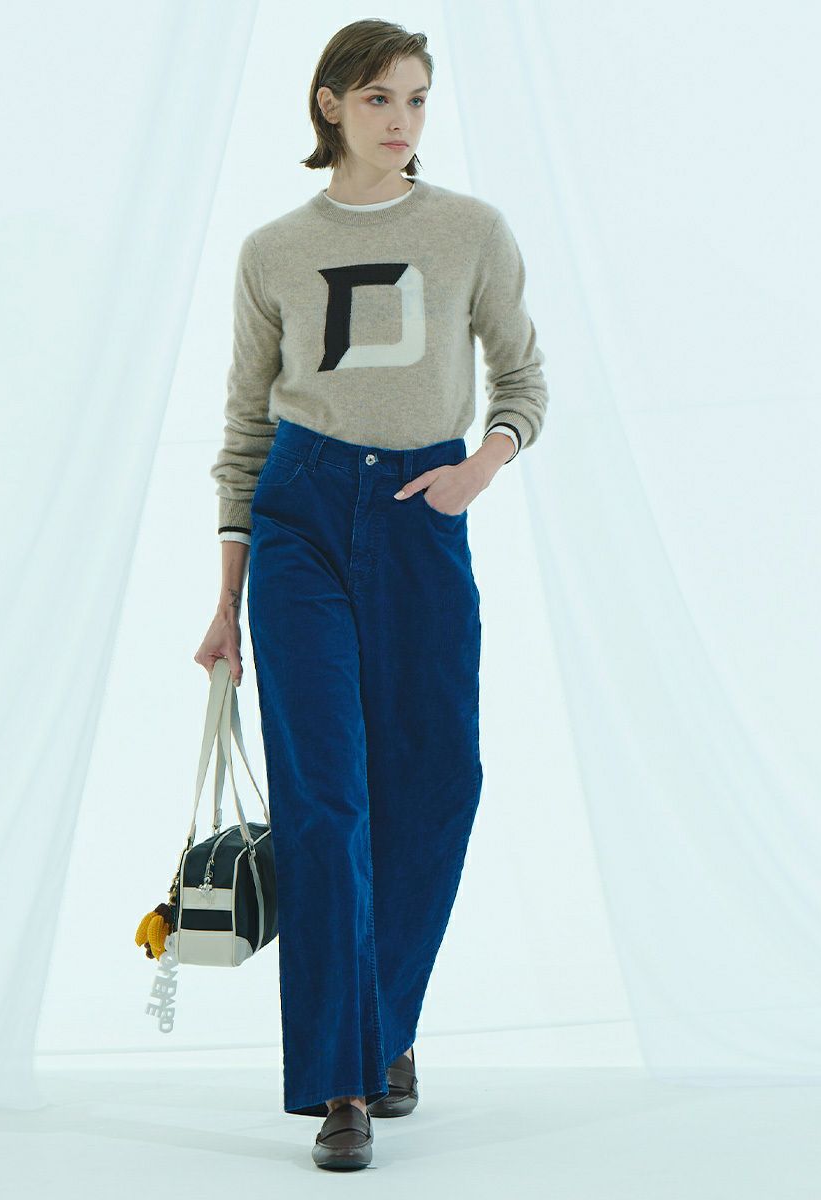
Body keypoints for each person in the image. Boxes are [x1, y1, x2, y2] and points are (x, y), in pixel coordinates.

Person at [195, 18, 548, 1171]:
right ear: (331, 104)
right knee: (326, 802)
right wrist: (226, 598)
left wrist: (478, 467)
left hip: (420, 512)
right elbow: (244, 425)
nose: (401, 119)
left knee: (436, 782)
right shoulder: (273, 250)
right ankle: (341, 1081)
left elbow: (524, 376)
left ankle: (384, 1025)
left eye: (417, 99)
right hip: (300, 517)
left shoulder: (470, 230)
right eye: (380, 98)